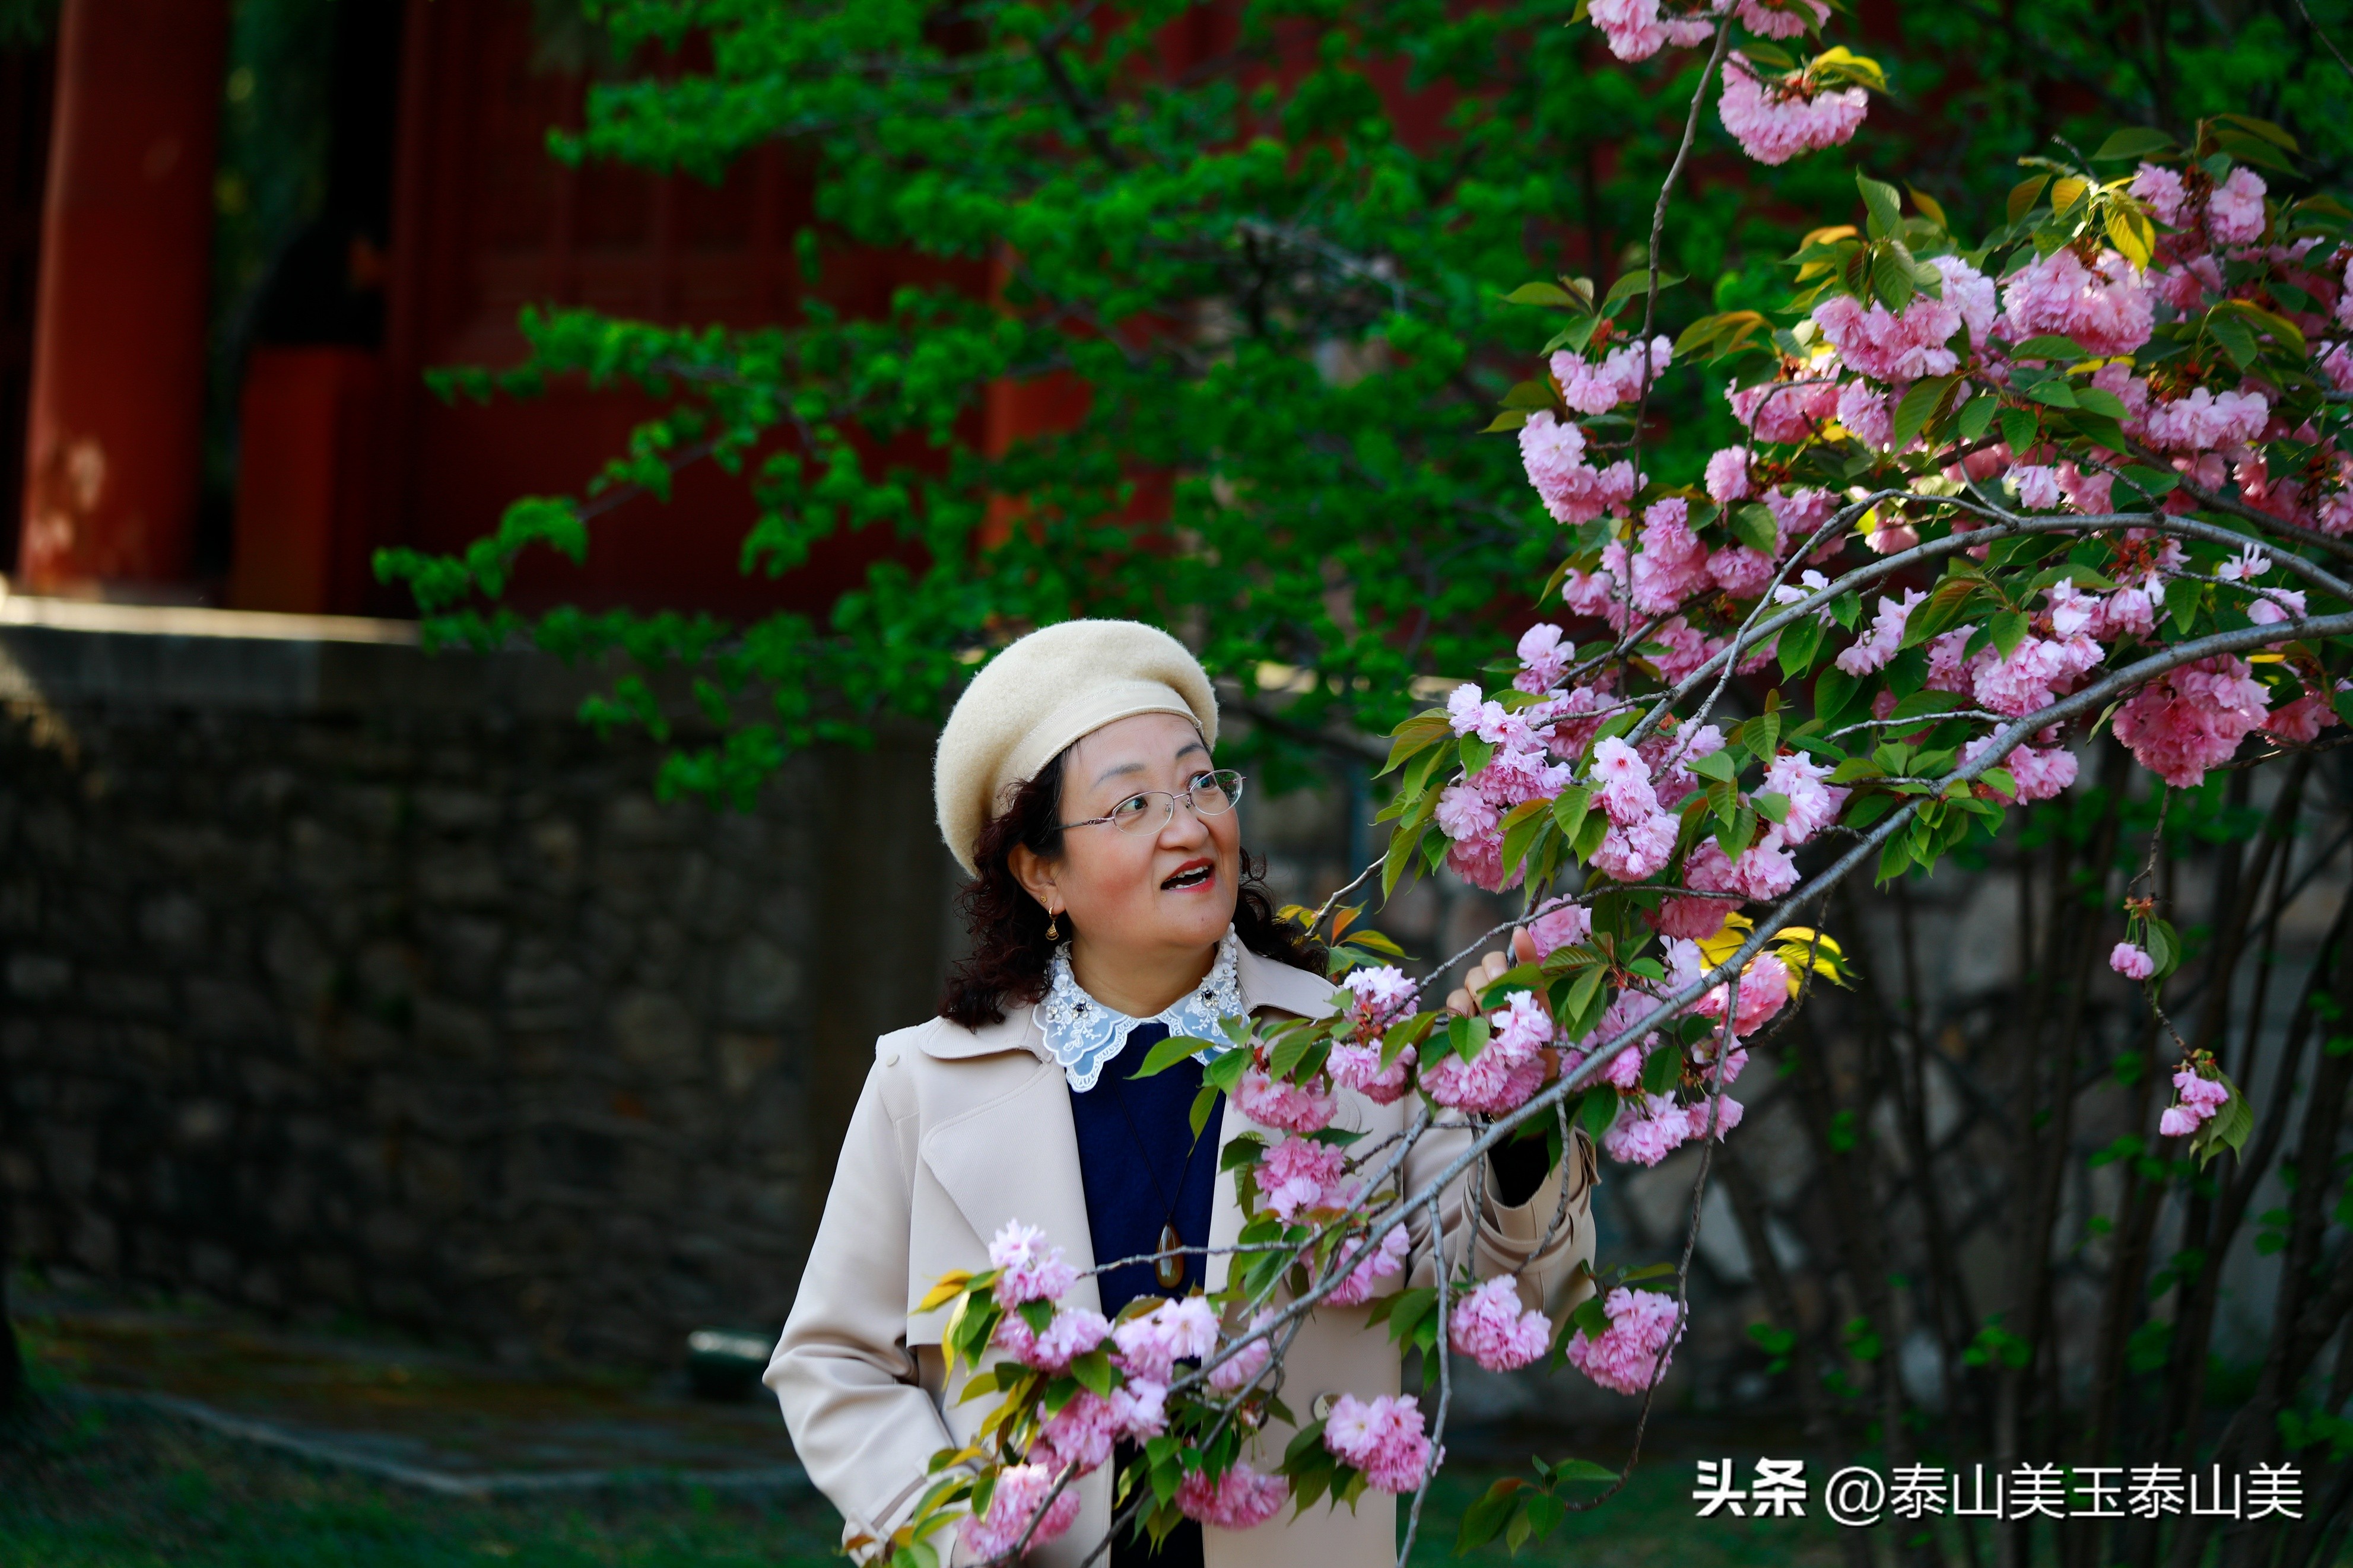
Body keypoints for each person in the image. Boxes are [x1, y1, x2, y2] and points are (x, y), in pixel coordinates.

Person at [767, 620, 1597, 1568]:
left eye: (1202, 782)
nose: (1189, 822)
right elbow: (832, 1363)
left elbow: (1510, 1280)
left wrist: (1517, 1118)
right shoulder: (924, 1083)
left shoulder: (1359, 1047)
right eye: (1131, 805)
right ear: (1042, 874)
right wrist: (962, 1531)